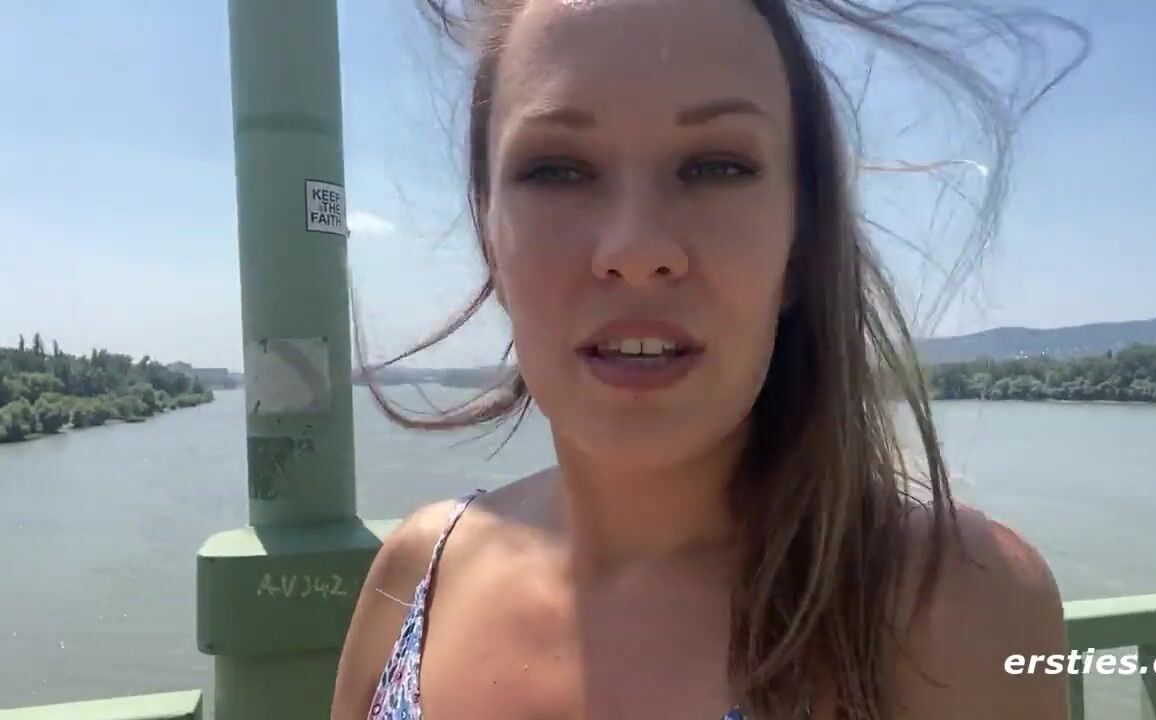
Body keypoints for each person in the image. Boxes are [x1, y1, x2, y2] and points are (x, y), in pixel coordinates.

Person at [333, 0, 1086, 718]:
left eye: (717, 166)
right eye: (557, 169)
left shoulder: (951, 604)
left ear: (801, 241)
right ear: (490, 234)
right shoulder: (418, 572)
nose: (636, 250)